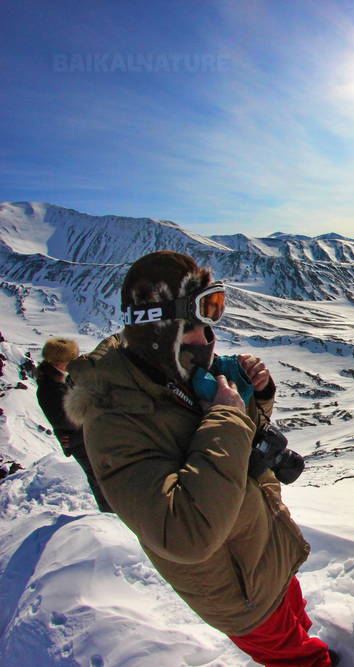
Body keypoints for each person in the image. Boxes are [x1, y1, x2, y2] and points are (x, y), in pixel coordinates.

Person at [65, 251, 337, 666]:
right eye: (199, 317)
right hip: (240, 591)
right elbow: (185, 534)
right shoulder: (116, 418)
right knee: (297, 657)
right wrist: (226, 415)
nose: (209, 334)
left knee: (296, 623)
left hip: (263, 554)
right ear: (161, 328)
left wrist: (256, 399)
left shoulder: (167, 376)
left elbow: (230, 458)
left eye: (214, 310)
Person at [35, 337, 113, 512]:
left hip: (83, 437)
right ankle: (109, 512)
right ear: (58, 361)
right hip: (80, 441)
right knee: (98, 476)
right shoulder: (49, 388)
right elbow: (65, 419)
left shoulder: (59, 379)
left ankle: (112, 509)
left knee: (102, 474)